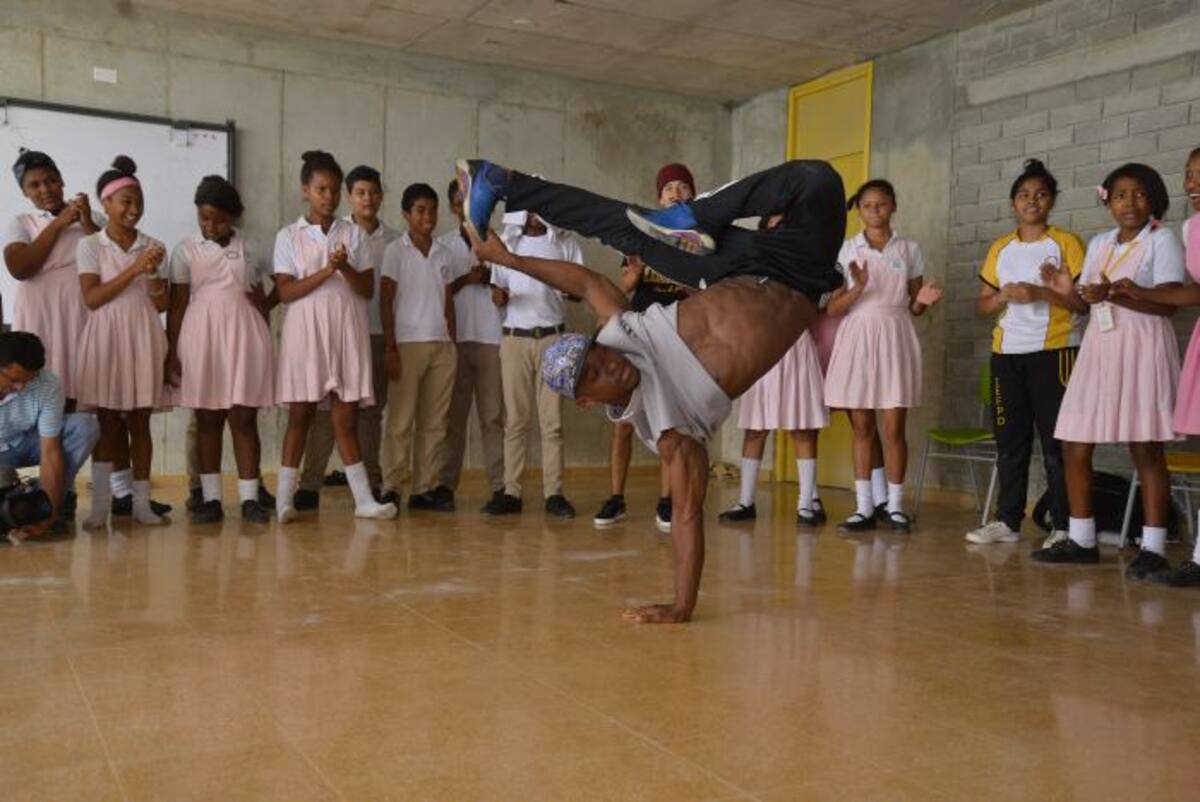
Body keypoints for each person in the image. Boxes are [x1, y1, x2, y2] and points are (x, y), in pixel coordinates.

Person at [456, 157, 845, 622]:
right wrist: (682, 605)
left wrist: (509, 260)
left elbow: (585, 281)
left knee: (625, 225)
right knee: (823, 183)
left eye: (600, 354)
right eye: (595, 374)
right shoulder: (669, 429)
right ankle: (698, 217)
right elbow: (686, 518)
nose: (612, 366)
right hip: (802, 278)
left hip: (736, 268)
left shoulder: (623, 335)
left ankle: (503, 182)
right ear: (587, 400)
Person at [1032, 163, 1183, 580]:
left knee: (1146, 447)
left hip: (1142, 346)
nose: (1129, 203)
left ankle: (1152, 547)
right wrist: (1067, 293)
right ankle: (1082, 539)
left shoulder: (1162, 239)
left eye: (1138, 194)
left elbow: (1170, 303)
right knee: (1074, 441)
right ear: (1108, 201)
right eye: (1120, 195)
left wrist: (1117, 295)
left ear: (1153, 198)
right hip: (1100, 348)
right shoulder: (1100, 243)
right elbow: (1089, 305)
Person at [272, 150, 397, 522]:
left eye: (332, 190)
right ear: (305, 191)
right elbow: (285, 292)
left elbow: (366, 290)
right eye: (320, 189)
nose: (327, 196)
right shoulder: (288, 236)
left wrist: (344, 269)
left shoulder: (354, 234)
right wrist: (328, 270)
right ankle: (283, 500)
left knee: (345, 417)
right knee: (301, 415)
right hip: (305, 334)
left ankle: (363, 501)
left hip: (344, 331)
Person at [967, 159, 1085, 546]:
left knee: (1056, 444)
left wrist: (1042, 293)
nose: (1032, 201)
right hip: (1007, 355)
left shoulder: (1066, 243)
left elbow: (1082, 304)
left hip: (1054, 353)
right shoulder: (1001, 248)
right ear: (1013, 203)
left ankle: (1065, 526)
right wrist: (1002, 295)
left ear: (1051, 201)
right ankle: (1007, 521)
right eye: (1023, 195)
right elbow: (983, 304)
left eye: (1040, 194)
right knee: (1010, 442)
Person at [823, 180, 942, 534]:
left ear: (893, 206)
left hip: (895, 333)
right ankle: (863, 507)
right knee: (862, 428)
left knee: (893, 429)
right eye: (868, 205)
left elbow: (915, 305)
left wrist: (924, 300)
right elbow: (832, 308)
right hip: (858, 334)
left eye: (882, 204)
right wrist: (858, 288)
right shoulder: (847, 250)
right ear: (859, 210)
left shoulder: (908, 249)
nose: (875, 211)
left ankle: (895, 506)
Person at [166, 176, 276, 523]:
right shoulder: (185, 249)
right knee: (208, 419)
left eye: (218, 219)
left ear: (234, 216)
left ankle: (249, 497)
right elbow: (178, 304)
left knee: (244, 419)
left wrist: (266, 303)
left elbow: (284, 283)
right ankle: (210, 499)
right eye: (204, 218)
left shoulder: (253, 246)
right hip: (202, 337)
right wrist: (172, 350)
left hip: (244, 335)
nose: (210, 226)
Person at [595, 163, 696, 531]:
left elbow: (708, 294)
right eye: (668, 187)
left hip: (676, 338)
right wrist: (633, 278)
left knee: (668, 423)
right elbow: (620, 292)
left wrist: (692, 287)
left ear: (692, 196)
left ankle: (666, 502)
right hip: (637, 335)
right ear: (658, 198)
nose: (675, 192)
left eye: (683, 187)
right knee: (623, 421)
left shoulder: (698, 244)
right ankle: (616, 497)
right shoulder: (642, 238)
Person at [74, 156, 171, 528]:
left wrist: (152, 275)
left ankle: (141, 505)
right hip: (105, 339)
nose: (133, 209)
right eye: (125, 202)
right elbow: (92, 298)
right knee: (107, 423)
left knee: (140, 423)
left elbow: (161, 303)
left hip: (143, 336)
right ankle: (101, 505)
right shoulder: (90, 245)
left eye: (138, 202)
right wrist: (134, 268)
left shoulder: (154, 246)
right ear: (106, 205)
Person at [719, 217, 829, 525]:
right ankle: (745, 502)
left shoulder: (808, 262)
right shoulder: (752, 265)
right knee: (756, 427)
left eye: (785, 225)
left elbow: (818, 304)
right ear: (764, 232)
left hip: (796, 344)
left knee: (802, 427)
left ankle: (807, 503)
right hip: (763, 348)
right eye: (773, 226)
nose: (780, 231)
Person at [485, 211, 582, 518]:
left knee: (552, 422)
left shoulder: (565, 244)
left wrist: (571, 290)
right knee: (515, 420)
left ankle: (554, 493)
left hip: (554, 339)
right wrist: (498, 296)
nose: (536, 215)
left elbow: (580, 289)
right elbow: (496, 290)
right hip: (515, 338)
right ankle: (511, 492)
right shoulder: (507, 243)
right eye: (529, 209)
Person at [1134, 147, 1200, 586]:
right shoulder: (1192, 227)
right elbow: (1194, 293)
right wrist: (1132, 293)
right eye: (1189, 175)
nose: (1193, 184)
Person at [378, 183, 457, 511]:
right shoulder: (396, 251)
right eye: (421, 210)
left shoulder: (444, 253)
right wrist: (390, 347)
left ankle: (424, 487)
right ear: (407, 215)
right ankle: (392, 485)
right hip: (407, 345)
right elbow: (385, 300)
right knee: (400, 420)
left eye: (432, 210)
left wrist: (451, 340)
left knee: (435, 423)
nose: (428, 217)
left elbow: (449, 301)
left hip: (442, 347)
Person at [437, 179, 506, 508]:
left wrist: (492, 279)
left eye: (470, 201)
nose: (463, 207)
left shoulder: (501, 242)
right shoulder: (443, 245)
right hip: (457, 339)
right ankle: (445, 485)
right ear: (451, 207)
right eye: (457, 202)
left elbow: (513, 290)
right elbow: (435, 293)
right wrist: (466, 279)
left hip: (493, 339)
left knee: (492, 417)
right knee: (454, 418)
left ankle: (500, 486)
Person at [0, 332, 99, 543]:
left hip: (25, 443)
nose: (21, 388)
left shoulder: (47, 384)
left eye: (28, 379)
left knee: (85, 426)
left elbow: (50, 451)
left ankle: (37, 501)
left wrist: (47, 514)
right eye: (14, 380)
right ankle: (14, 504)